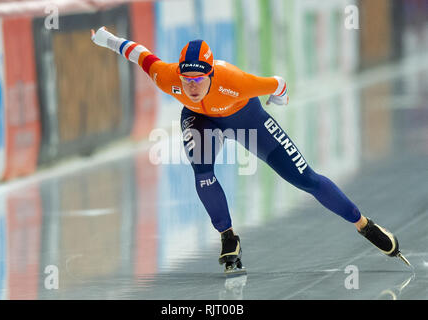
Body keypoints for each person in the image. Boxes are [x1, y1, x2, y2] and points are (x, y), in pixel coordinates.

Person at [91, 27, 410, 272]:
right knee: (202, 174)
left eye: (198, 78)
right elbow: (139, 53)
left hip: (248, 117)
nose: (190, 85)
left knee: (306, 180)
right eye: (186, 78)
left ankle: (364, 226)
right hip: (201, 120)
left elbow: (279, 83)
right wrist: (106, 39)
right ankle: (228, 237)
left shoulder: (236, 81)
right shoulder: (167, 76)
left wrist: (279, 100)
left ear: (211, 74)